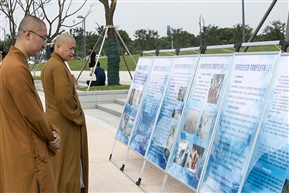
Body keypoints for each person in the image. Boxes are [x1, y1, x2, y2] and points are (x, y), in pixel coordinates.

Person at [0, 15, 61, 192]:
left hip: (16, 147)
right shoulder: (16, 68)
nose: (44, 45)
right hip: (26, 153)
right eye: (43, 38)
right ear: (28, 34)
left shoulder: (11, 63)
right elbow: (33, 114)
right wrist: (53, 136)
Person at [41, 33, 89, 193]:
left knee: (59, 166)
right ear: (58, 46)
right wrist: (78, 116)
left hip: (54, 120)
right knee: (68, 166)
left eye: (74, 49)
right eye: (70, 48)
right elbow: (64, 99)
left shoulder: (50, 64)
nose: (73, 52)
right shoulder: (59, 67)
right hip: (65, 123)